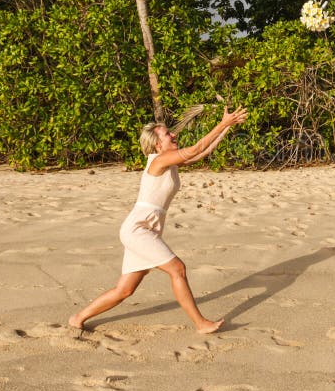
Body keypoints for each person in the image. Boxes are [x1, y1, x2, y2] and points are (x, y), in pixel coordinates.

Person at [68, 106, 248, 334]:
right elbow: (193, 150)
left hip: (148, 229)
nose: (173, 135)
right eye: (167, 134)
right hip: (139, 229)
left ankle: (78, 318)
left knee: (124, 290)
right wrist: (222, 124)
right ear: (157, 144)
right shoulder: (158, 161)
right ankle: (201, 324)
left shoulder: (169, 160)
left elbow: (201, 153)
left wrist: (227, 127)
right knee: (177, 269)